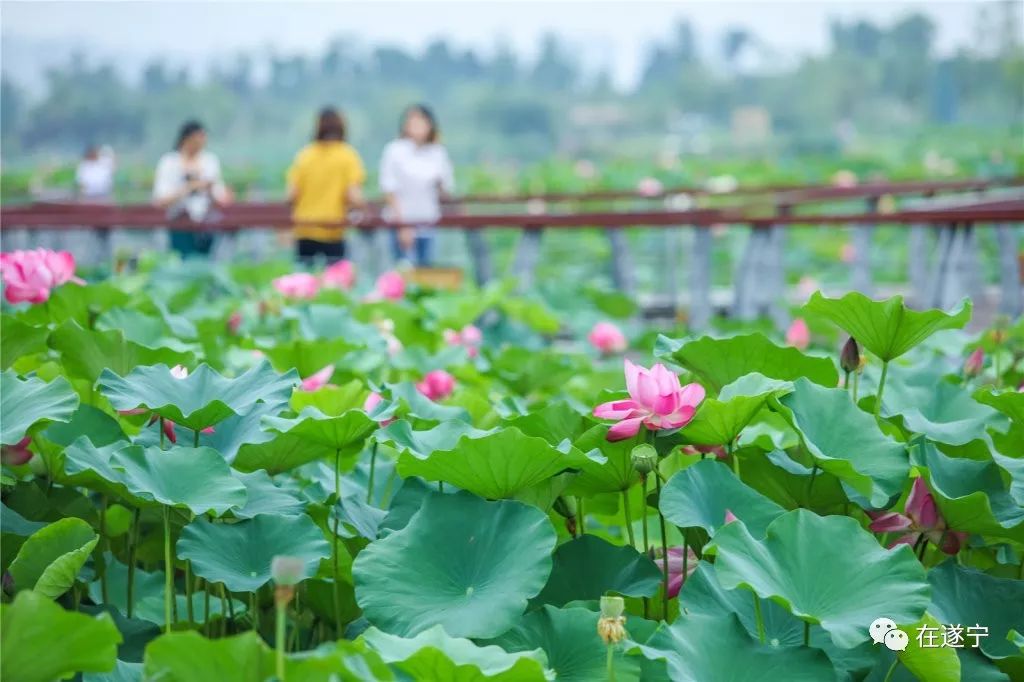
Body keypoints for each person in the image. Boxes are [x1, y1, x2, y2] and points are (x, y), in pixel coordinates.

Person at [286, 108, 366, 264]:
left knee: (305, 280)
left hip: (305, 228)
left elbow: (291, 194)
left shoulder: (305, 155)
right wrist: (364, 209)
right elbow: (353, 195)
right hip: (333, 229)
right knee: (335, 282)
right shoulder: (347, 155)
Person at [379, 104, 454, 267]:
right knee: (404, 270)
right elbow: (389, 189)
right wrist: (402, 226)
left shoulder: (437, 152)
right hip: (401, 221)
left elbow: (446, 188)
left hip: (428, 220)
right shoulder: (395, 150)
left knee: (426, 271)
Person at [153, 120, 233, 256]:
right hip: (178, 222)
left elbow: (221, 198)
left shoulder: (210, 161)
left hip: (206, 226)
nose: (202, 142)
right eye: (198, 138)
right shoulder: (170, 162)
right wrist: (189, 187)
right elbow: (160, 200)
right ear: (186, 139)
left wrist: (209, 189)